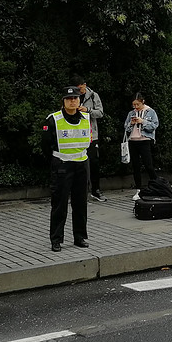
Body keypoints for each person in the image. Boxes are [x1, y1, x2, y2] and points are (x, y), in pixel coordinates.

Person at [42, 86, 92, 251]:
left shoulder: (86, 117)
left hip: (82, 164)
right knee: (59, 204)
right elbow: (45, 145)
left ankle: (80, 237)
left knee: (80, 204)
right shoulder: (53, 119)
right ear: (63, 102)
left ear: (79, 101)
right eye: (69, 99)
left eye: (76, 99)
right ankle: (56, 239)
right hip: (62, 165)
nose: (73, 101)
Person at [74, 74, 106, 202]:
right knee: (77, 164)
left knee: (94, 163)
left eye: (80, 88)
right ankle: (78, 191)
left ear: (84, 85)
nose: (79, 91)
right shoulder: (71, 97)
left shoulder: (93, 95)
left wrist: (87, 110)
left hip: (91, 134)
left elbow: (100, 113)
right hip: (75, 135)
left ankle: (96, 190)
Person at [125, 93, 159, 193]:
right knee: (135, 166)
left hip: (145, 140)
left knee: (148, 165)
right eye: (134, 105)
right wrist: (131, 124)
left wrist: (142, 121)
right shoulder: (131, 113)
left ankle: (157, 186)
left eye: (137, 104)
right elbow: (125, 127)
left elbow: (154, 125)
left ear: (142, 102)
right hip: (133, 140)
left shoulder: (150, 112)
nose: (136, 107)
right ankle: (138, 189)